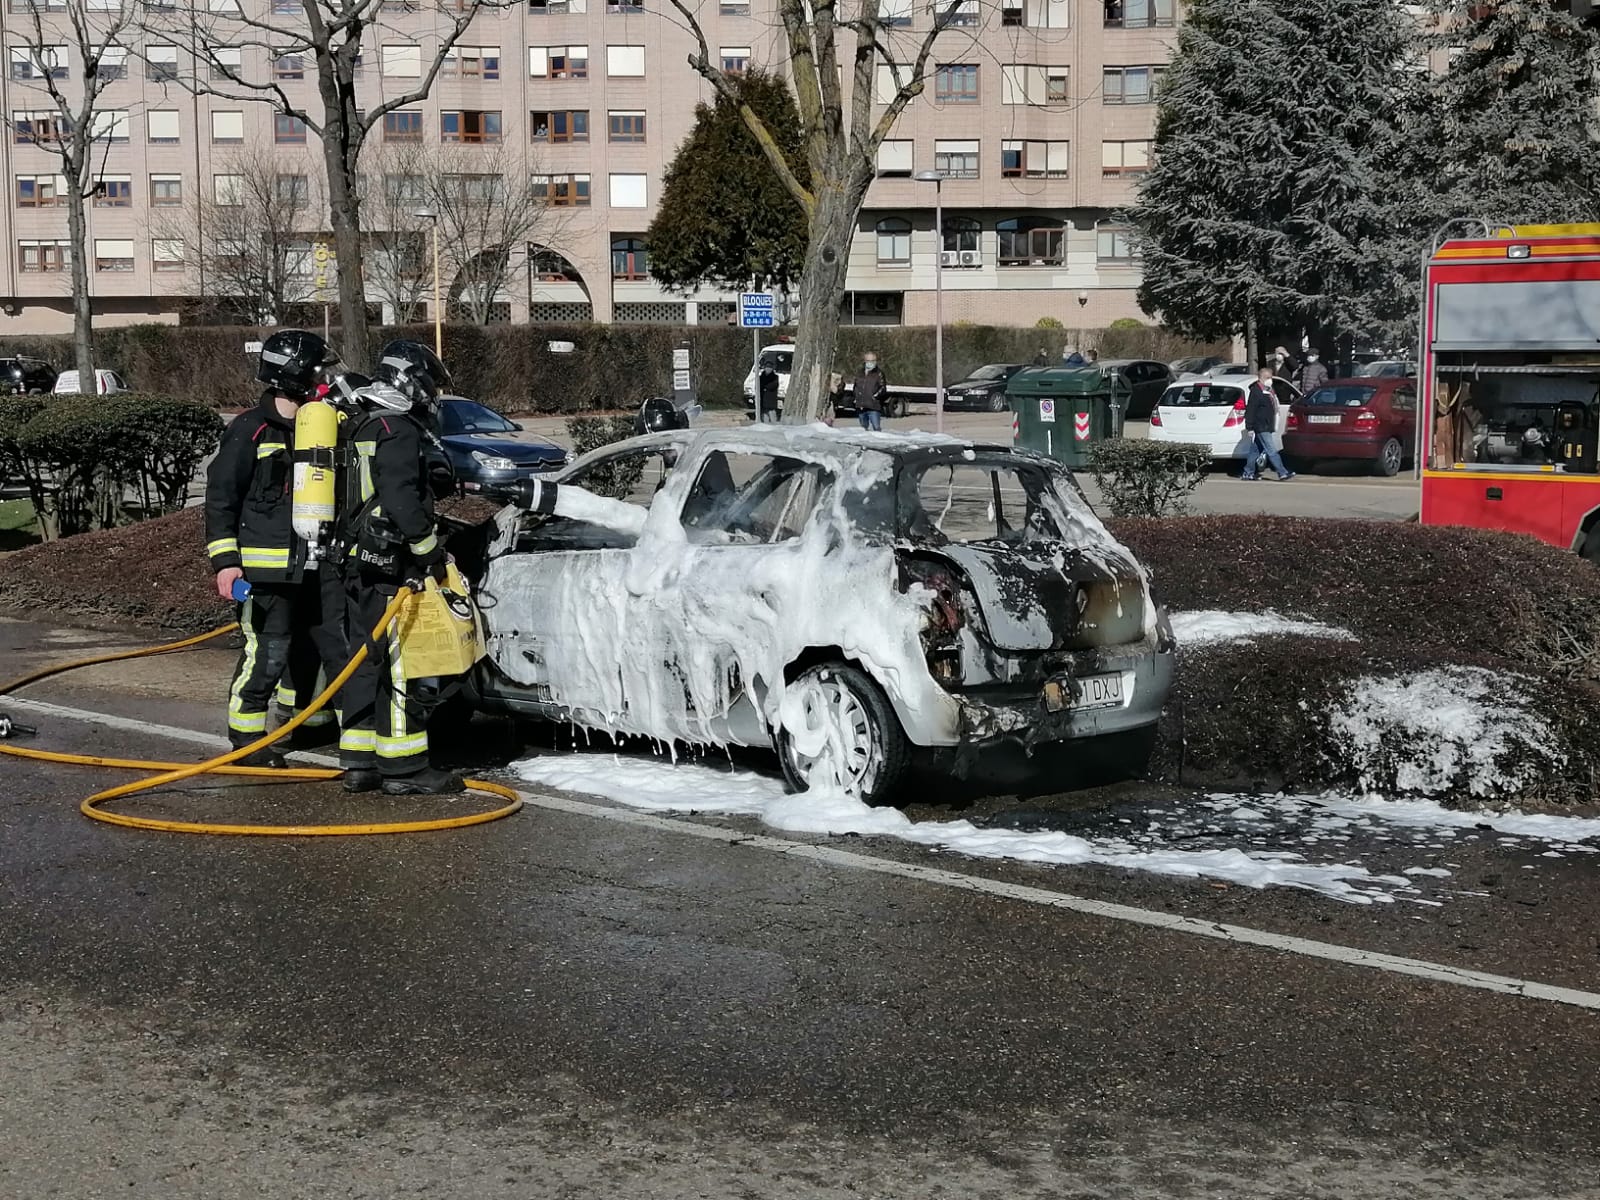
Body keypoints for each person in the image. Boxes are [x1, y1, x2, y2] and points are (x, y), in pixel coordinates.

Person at [204, 330, 345, 767]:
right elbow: (220, 498)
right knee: (268, 652)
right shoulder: (250, 430)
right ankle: (246, 739)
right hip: (265, 572)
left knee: (316, 650)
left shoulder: (323, 427)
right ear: (296, 375)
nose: (327, 380)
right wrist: (227, 564)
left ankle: (306, 721)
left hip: (316, 565)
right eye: (321, 371)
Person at [338, 340, 462, 796]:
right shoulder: (398, 429)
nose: (432, 395)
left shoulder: (365, 423)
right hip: (388, 564)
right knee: (399, 665)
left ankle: (360, 761)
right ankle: (405, 769)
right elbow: (401, 499)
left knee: (366, 661)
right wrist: (428, 552)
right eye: (428, 383)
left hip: (357, 562)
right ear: (410, 381)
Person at [1241, 367, 1295, 482]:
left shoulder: (1268, 390)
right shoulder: (1256, 392)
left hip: (1267, 425)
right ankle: (1282, 472)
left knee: (1255, 450)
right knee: (1271, 450)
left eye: (1270, 377)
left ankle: (1248, 472)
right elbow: (1251, 410)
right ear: (1261, 378)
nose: (1270, 380)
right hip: (1261, 426)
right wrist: (1249, 427)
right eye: (1267, 378)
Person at [851, 351, 888, 431]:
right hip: (861, 406)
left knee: (876, 427)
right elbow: (855, 386)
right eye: (868, 361)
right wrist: (856, 397)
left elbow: (883, 388)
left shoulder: (879, 373)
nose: (870, 363)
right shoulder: (859, 373)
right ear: (865, 361)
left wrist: (875, 397)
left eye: (872, 361)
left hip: (873, 406)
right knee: (863, 429)